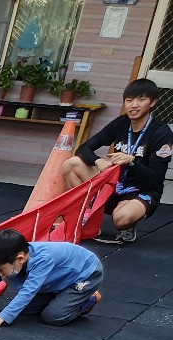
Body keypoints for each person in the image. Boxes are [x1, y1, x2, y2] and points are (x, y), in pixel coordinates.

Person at [62, 77, 173, 244]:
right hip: (113, 184)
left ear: (152, 102)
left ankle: (129, 224)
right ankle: (86, 216)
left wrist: (132, 162)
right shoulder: (121, 123)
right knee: (71, 164)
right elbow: (83, 149)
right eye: (129, 100)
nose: (133, 105)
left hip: (141, 191)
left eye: (141, 100)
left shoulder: (162, 133)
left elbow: (155, 179)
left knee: (121, 219)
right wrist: (98, 161)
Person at [0, 228, 103, 327]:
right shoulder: (16, 256)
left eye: (0, 269)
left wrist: (1, 318)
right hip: (61, 278)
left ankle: (88, 299)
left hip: (85, 275)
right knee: (25, 310)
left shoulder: (43, 259)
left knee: (52, 317)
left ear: (19, 259)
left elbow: (29, 291)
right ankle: (61, 296)